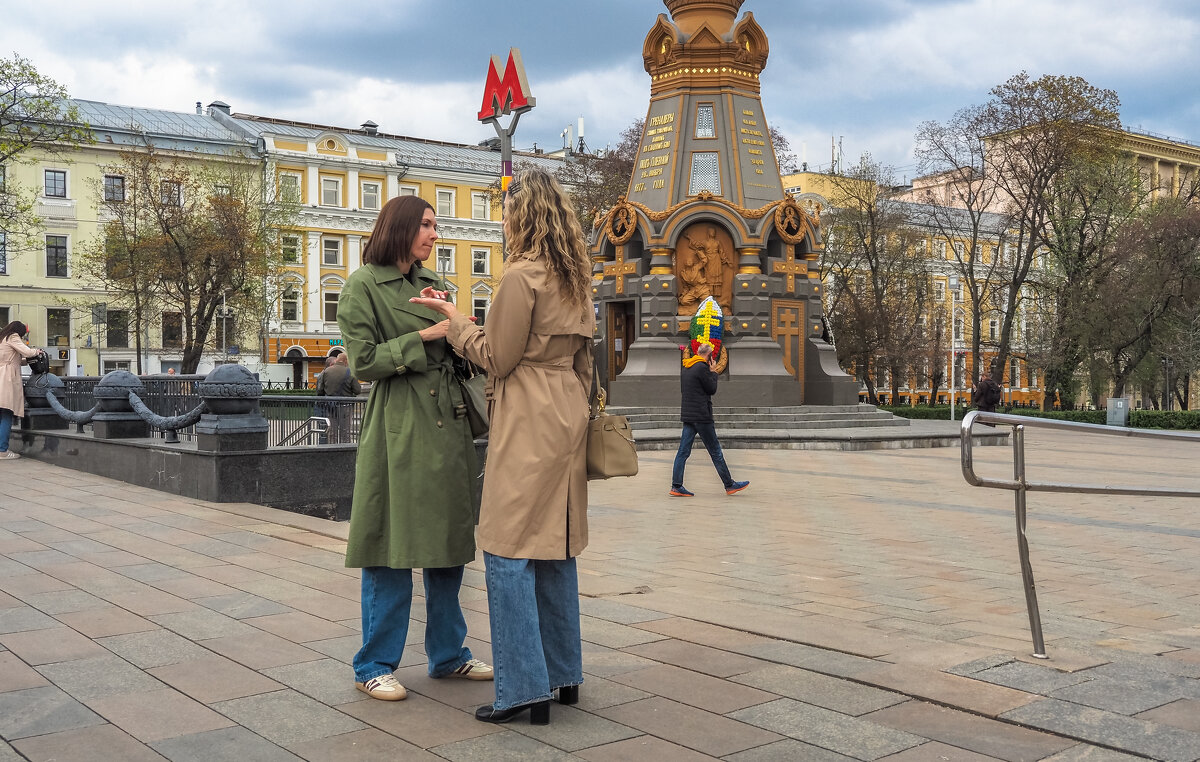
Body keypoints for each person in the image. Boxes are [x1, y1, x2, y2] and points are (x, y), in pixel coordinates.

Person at [410, 168, 595, 726]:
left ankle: (523, 688)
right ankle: (563, 676)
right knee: (555, 546)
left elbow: (499, 356)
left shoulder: (521, 276)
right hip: (569, 406)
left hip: (529, 412)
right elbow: (585, 358)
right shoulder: (575, 276)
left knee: (507, 547)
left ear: (523, 216)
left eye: (507, 209)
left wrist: (456, 323)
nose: (503, 218)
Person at [335, 194, 493, 703]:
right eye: (426, 224)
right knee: (391, 547)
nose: (434, 233)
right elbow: (361, 363)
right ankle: (374, 664)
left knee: (448, 548)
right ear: (401, 228)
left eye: (435, 224)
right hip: (398, 427)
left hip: (448, 426)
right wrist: (429, 336)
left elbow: (459, 346)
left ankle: (449, 655)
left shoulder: (433, 285)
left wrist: (462, 332)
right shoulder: (362, 285)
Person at [669, 343, 750, 497]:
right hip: (701, 415)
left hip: (689, 415)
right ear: (709, 355)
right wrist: (713, 372)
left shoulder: (686, 367)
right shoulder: (702, 367)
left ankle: (676, 485)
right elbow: (711, 389)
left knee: (683, 452)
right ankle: (729, 484)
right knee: (715, 451)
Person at [0, 322, 43, 460]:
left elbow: (13, 358)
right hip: (6, 379)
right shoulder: (13, 336)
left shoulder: (2, 338)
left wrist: (24, 360)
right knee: (6, 413)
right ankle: (2, 451)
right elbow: (27, 351)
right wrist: (37, 351)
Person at [315, 353, 361, 443]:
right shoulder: (350, 372)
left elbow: (320, 390)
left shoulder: (326, 371)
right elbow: (357, 390)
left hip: (329, 406)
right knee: (345, 432)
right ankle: (345, 453)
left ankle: (333, 453)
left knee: (332, 432)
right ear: (345, 361)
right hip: (345, 406)